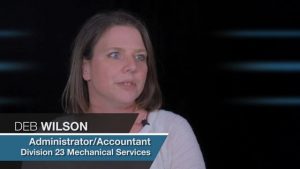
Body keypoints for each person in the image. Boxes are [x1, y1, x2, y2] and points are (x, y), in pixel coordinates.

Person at [62, 10, 206, 169]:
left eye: (140, 57)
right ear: (85, 68)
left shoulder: (172, 130)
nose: (132, 66)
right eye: (115, 54)